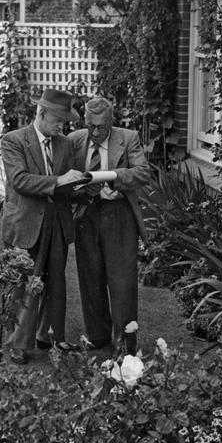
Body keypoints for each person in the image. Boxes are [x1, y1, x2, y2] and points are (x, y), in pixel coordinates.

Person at [0, 88, 88, 363]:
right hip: (26, 223)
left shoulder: (63, 144)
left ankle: (50, 338)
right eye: (58, 120)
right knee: (24, 284)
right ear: (41, 113)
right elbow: (20, 181)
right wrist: (60, 180)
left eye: (65, 122)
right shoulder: (13, 141)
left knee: (56, 283)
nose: (63, 127)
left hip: (57, 223)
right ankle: (17, 344)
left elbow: (67, 187)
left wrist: (84, 186)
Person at [68, 96, 152, 354]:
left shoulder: (127, 138)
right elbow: (64, 179)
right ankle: (97, 335)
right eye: (90, 126)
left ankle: (124, 342)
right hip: (87, 214)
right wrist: (83, 189)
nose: (95, 132)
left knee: (122, 281)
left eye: (101, 127)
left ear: (111, 122)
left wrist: (112, 177)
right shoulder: (74, 141)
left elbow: (143, 173)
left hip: (119, 216)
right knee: (90, 277)